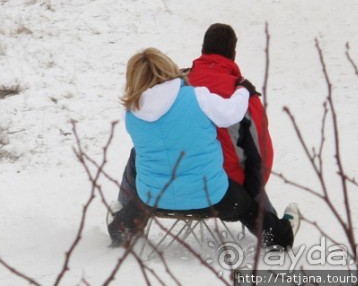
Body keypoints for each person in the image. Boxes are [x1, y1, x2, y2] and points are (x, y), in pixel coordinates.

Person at [107, 48, 298, 250]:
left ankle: (121, 228)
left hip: (154, 198)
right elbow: (232, 113)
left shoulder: (131, 113)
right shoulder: (197, 97)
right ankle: (280, 235)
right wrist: (243, 90)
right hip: (212, 197)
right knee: (247, 208)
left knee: (140, 156)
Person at [188, 24, 278, 215]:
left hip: (168, 184)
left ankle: (124, 218)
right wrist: (253, 192)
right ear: (233, 54)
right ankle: (273, 228)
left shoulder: (176, 86)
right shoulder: (243, 94)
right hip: (226, 192)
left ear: (203, 49)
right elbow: (262, 153)